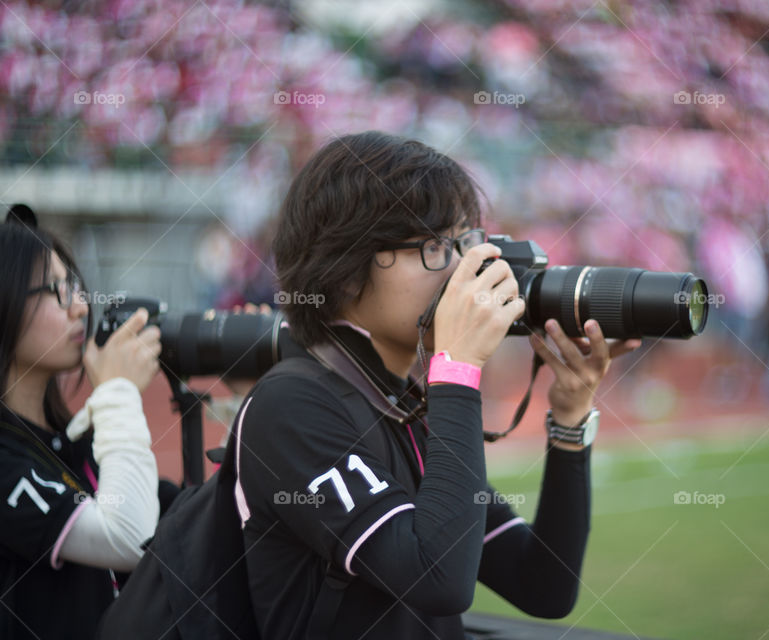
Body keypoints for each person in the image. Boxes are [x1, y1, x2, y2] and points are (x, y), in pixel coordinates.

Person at [236, 131, 641, 638]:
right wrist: (457, 369)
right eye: (432, 246)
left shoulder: (399, 402)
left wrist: (570, 418)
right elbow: (438, 579)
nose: (459, 269)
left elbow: (546, 585)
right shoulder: (293, 405)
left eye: (461, 242)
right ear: (342, 270)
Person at [0, 212, 161, 639]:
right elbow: (130, 537)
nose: (80, 306)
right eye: (55, 290)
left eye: (73, 285)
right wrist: (119, 391)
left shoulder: (69, 442)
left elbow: (186, 526)